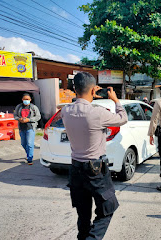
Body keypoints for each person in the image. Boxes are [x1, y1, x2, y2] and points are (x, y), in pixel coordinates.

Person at [61, 72, 128, 240]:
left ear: (74, 89)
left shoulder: (66, 111)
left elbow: (80, 106)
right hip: (95, 170)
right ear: (93, 91)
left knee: (83, 214)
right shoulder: (97, 113)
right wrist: (115, 100)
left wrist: (90, 95)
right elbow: (123, 118)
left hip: (75, 168)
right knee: (108, 208)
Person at [14, 93, 41, 165]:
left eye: (28, 99)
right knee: (23, 144)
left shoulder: (33, 107)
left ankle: (30, 159)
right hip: (21, 128)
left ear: (30, 100)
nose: (26, 101)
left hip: (30, 127)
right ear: (22, 99)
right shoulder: (19, 107)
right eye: (25, 99)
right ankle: (28, 154)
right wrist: (19, 119)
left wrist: (29, 120)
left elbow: (38, 117)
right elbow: (15, 115)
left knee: (30, 144)